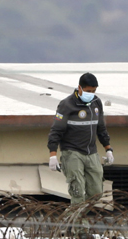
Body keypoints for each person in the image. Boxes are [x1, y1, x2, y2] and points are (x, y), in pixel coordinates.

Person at [47, 73, 113, 204]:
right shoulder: (66, 104)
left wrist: (108, 149)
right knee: (78, 192)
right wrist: (52, 154)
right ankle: (80, 224)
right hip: (72, 152)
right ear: (79, 88)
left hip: (91, 152)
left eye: (94, 91)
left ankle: (70, 219)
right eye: (88, 91)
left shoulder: (96, 103)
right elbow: (56, 130)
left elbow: (101, 128)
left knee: (96, 192)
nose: (91, 94)